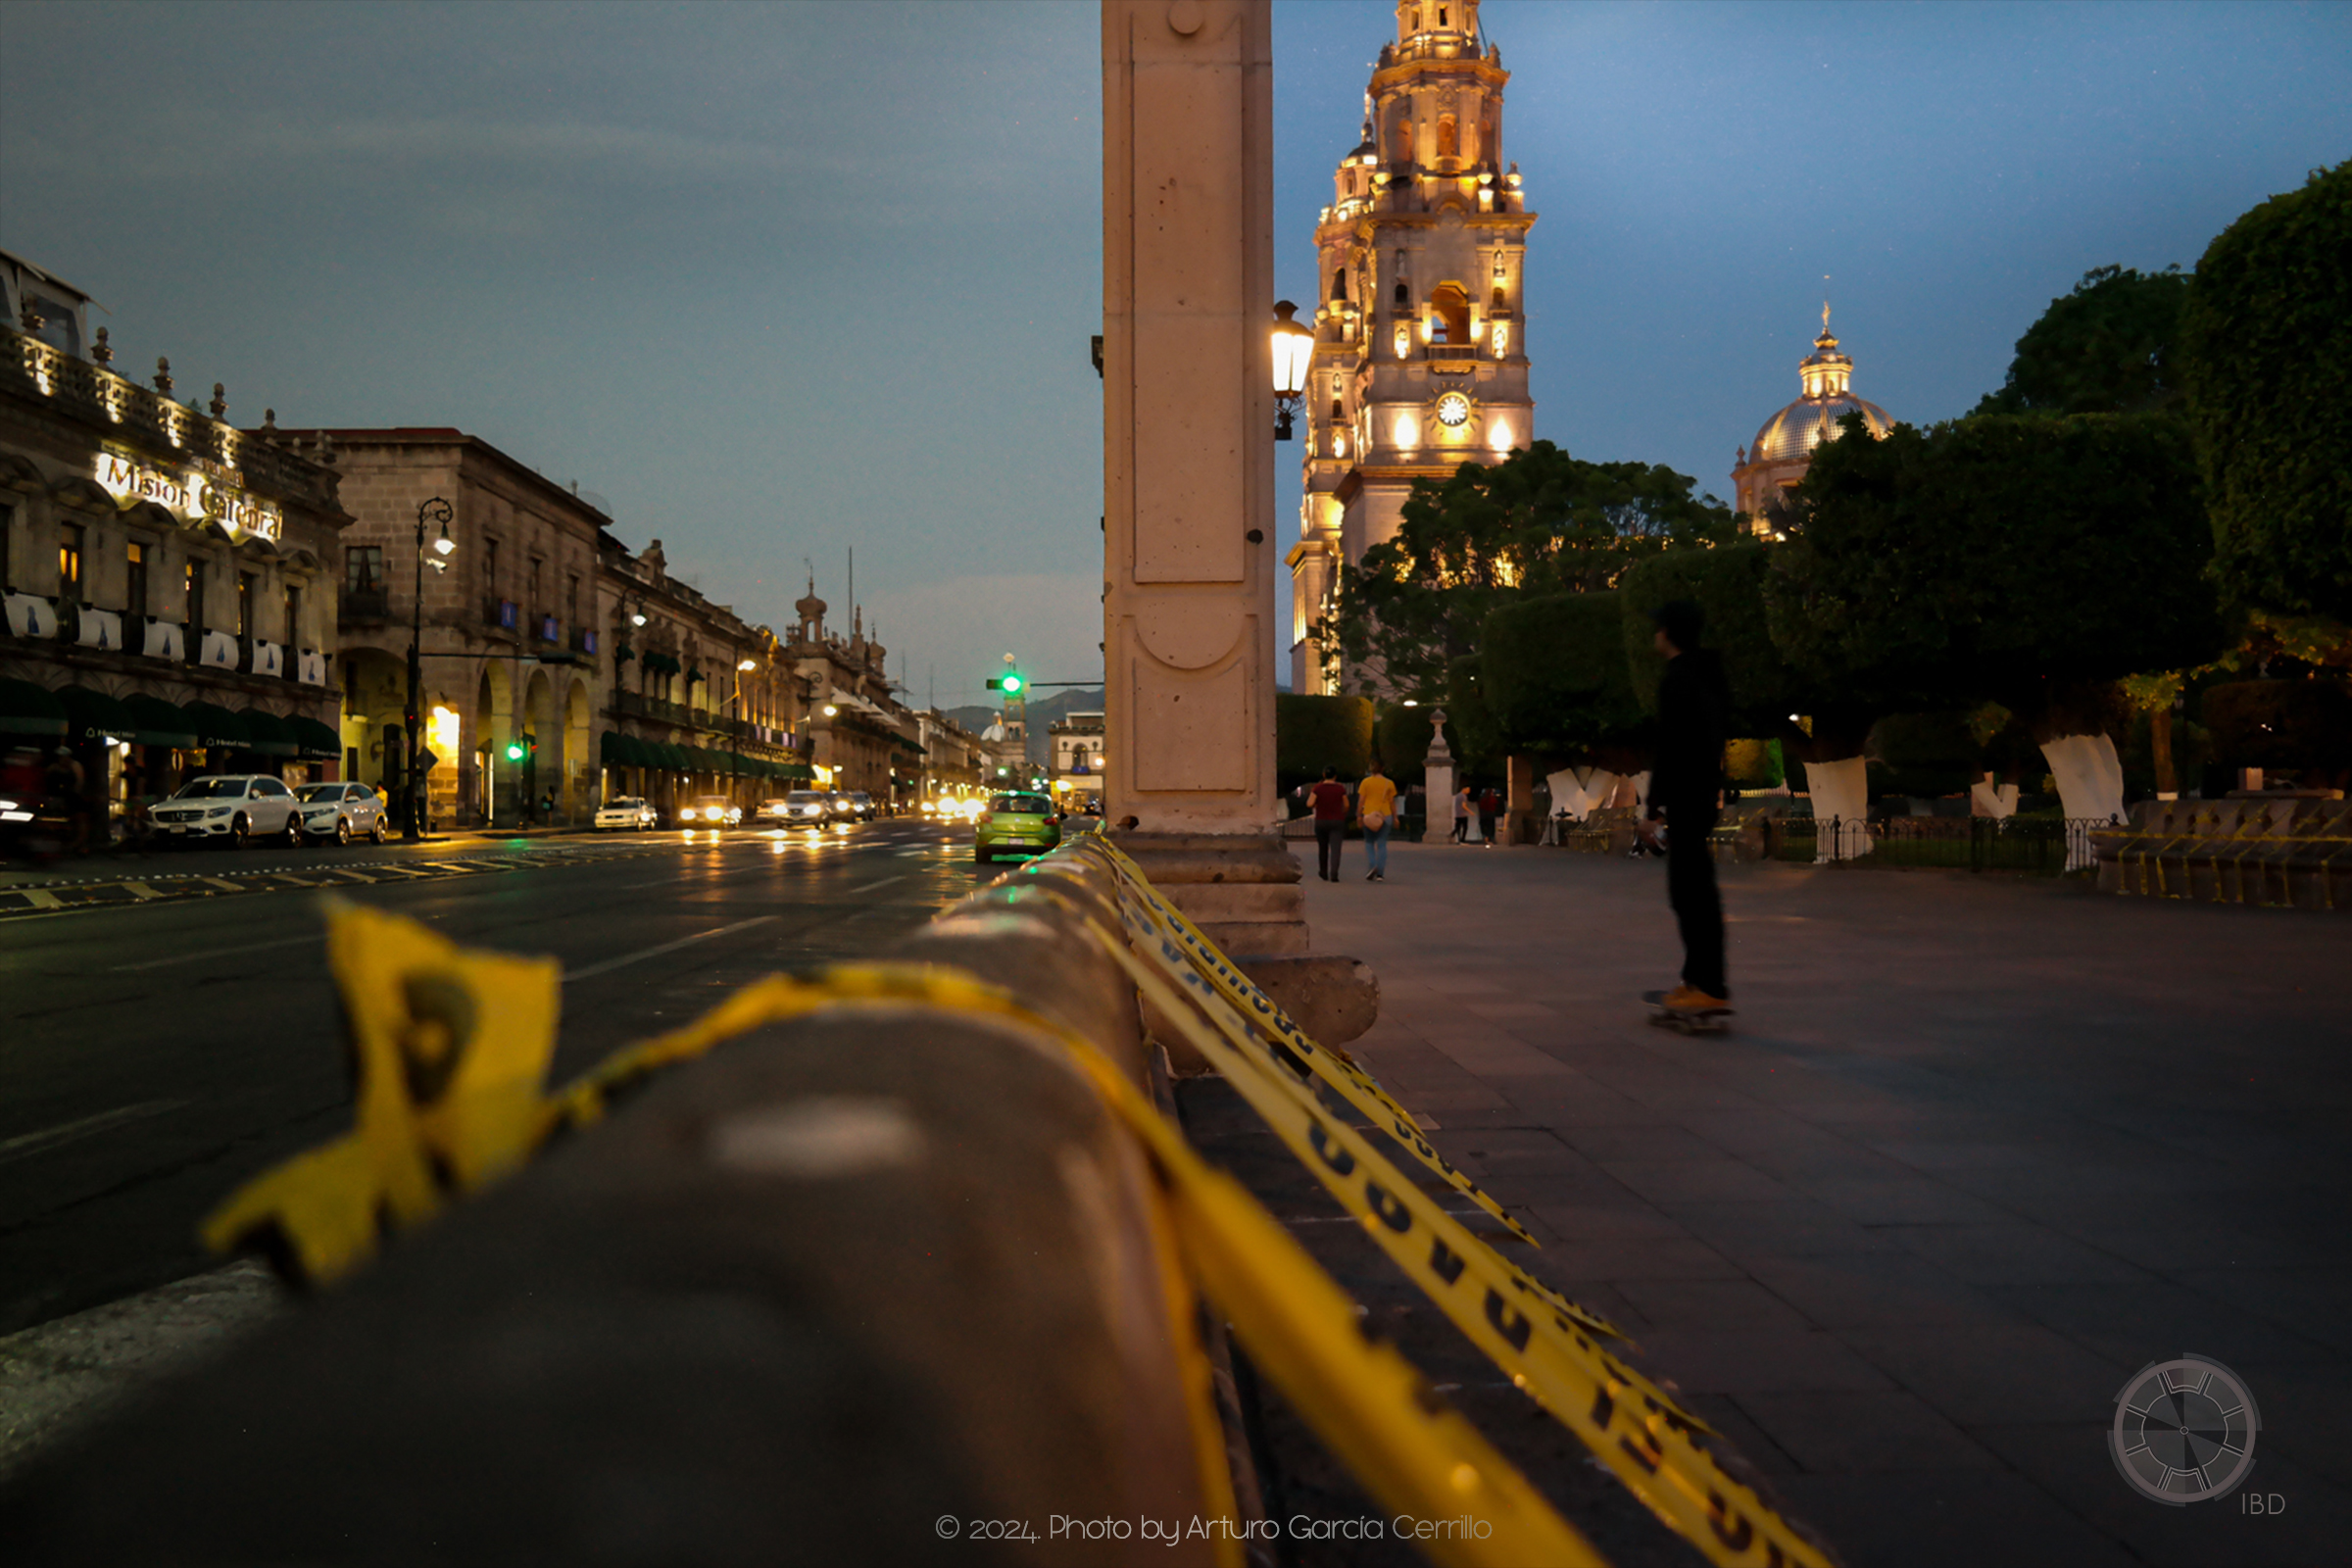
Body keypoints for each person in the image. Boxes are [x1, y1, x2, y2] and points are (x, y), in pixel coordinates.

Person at [1639, 600, 1731, 1014]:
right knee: (1695, 891)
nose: (1654, 633)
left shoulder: (1677, 679)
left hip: (1686, 796)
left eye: (1658, 627)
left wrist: (1653, 809)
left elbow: (1670, 749)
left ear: (1669, 633)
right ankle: (1697, 980)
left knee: (1690, 894)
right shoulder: (1710, 675)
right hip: (1703, 793)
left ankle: (1708, 986)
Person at [1357, 760, 1397, 882]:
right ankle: (1380, 873)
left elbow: (1361, 800)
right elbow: (1391, 802)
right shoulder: (1389, 783)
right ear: (1383, 769)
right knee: (1382, 843)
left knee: (1369, 842)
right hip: (1384, 815)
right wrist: (1395, 817)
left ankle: (1372, 864)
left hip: (1369, 814)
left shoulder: (1366, 782)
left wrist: (1359, 815)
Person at [1308, 765, 1350, 881]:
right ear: (1335, 776)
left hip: (1321, 820)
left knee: (1323, 847)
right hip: (1337, 820)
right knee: (1336, 848)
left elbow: (1309, 803)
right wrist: (1342, 812)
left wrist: (1317, 804)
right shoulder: (1340, 788)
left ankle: (1323, 871)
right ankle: (1334, 873)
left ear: (1323, 775)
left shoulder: (1318, 788)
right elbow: (1346, 805)